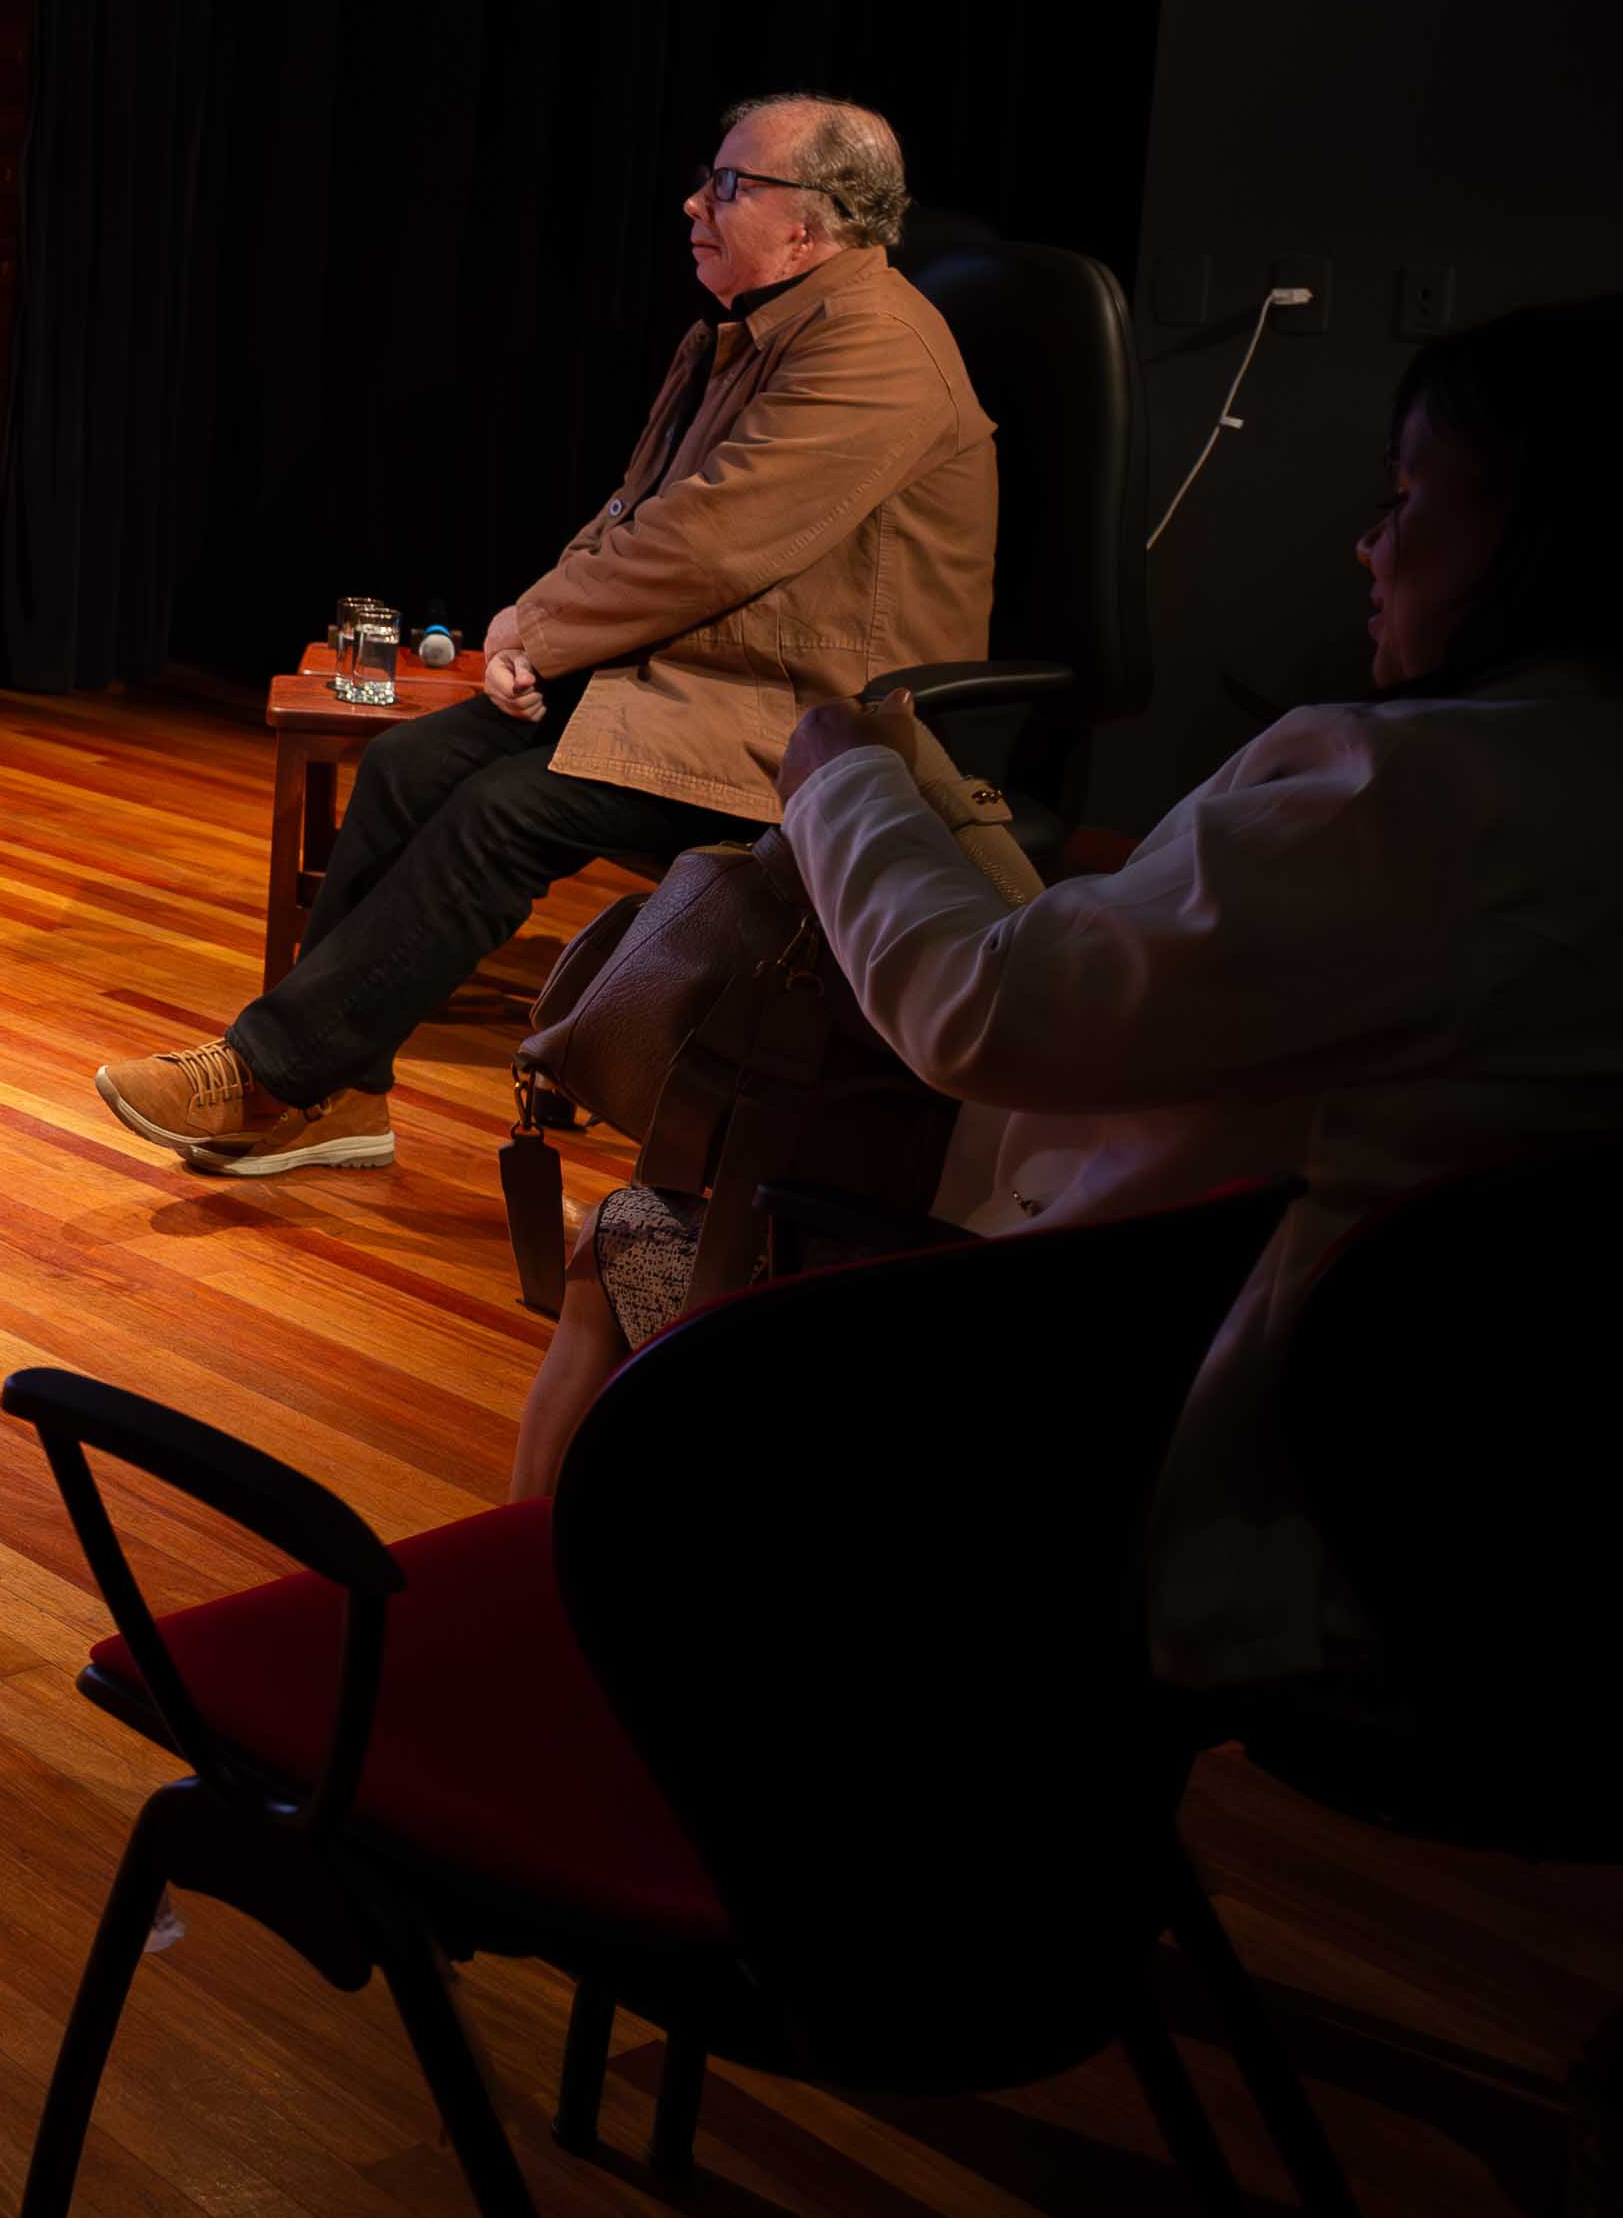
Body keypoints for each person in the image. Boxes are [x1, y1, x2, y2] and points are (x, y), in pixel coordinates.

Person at [749, 290, 1623, 1686]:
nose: (1365, 540)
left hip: (1200, 1460)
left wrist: (834, 773)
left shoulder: (1405, 798)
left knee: (651, 1239)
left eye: (1404, 496)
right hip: (1503, 1498)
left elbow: (978, 1012)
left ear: (1544, 529)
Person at [96, 94, 997, 1175]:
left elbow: (715, 543)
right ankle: (345, 1100)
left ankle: (270, 1075)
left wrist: (547, 631)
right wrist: (531, 626)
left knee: (500, 815)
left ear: (814, 222)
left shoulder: (879, 350)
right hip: (694, 674)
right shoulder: (748, 332)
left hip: (809, 718)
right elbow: (639, 513)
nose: (694, 202)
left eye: (728, 185)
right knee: (409, 764)